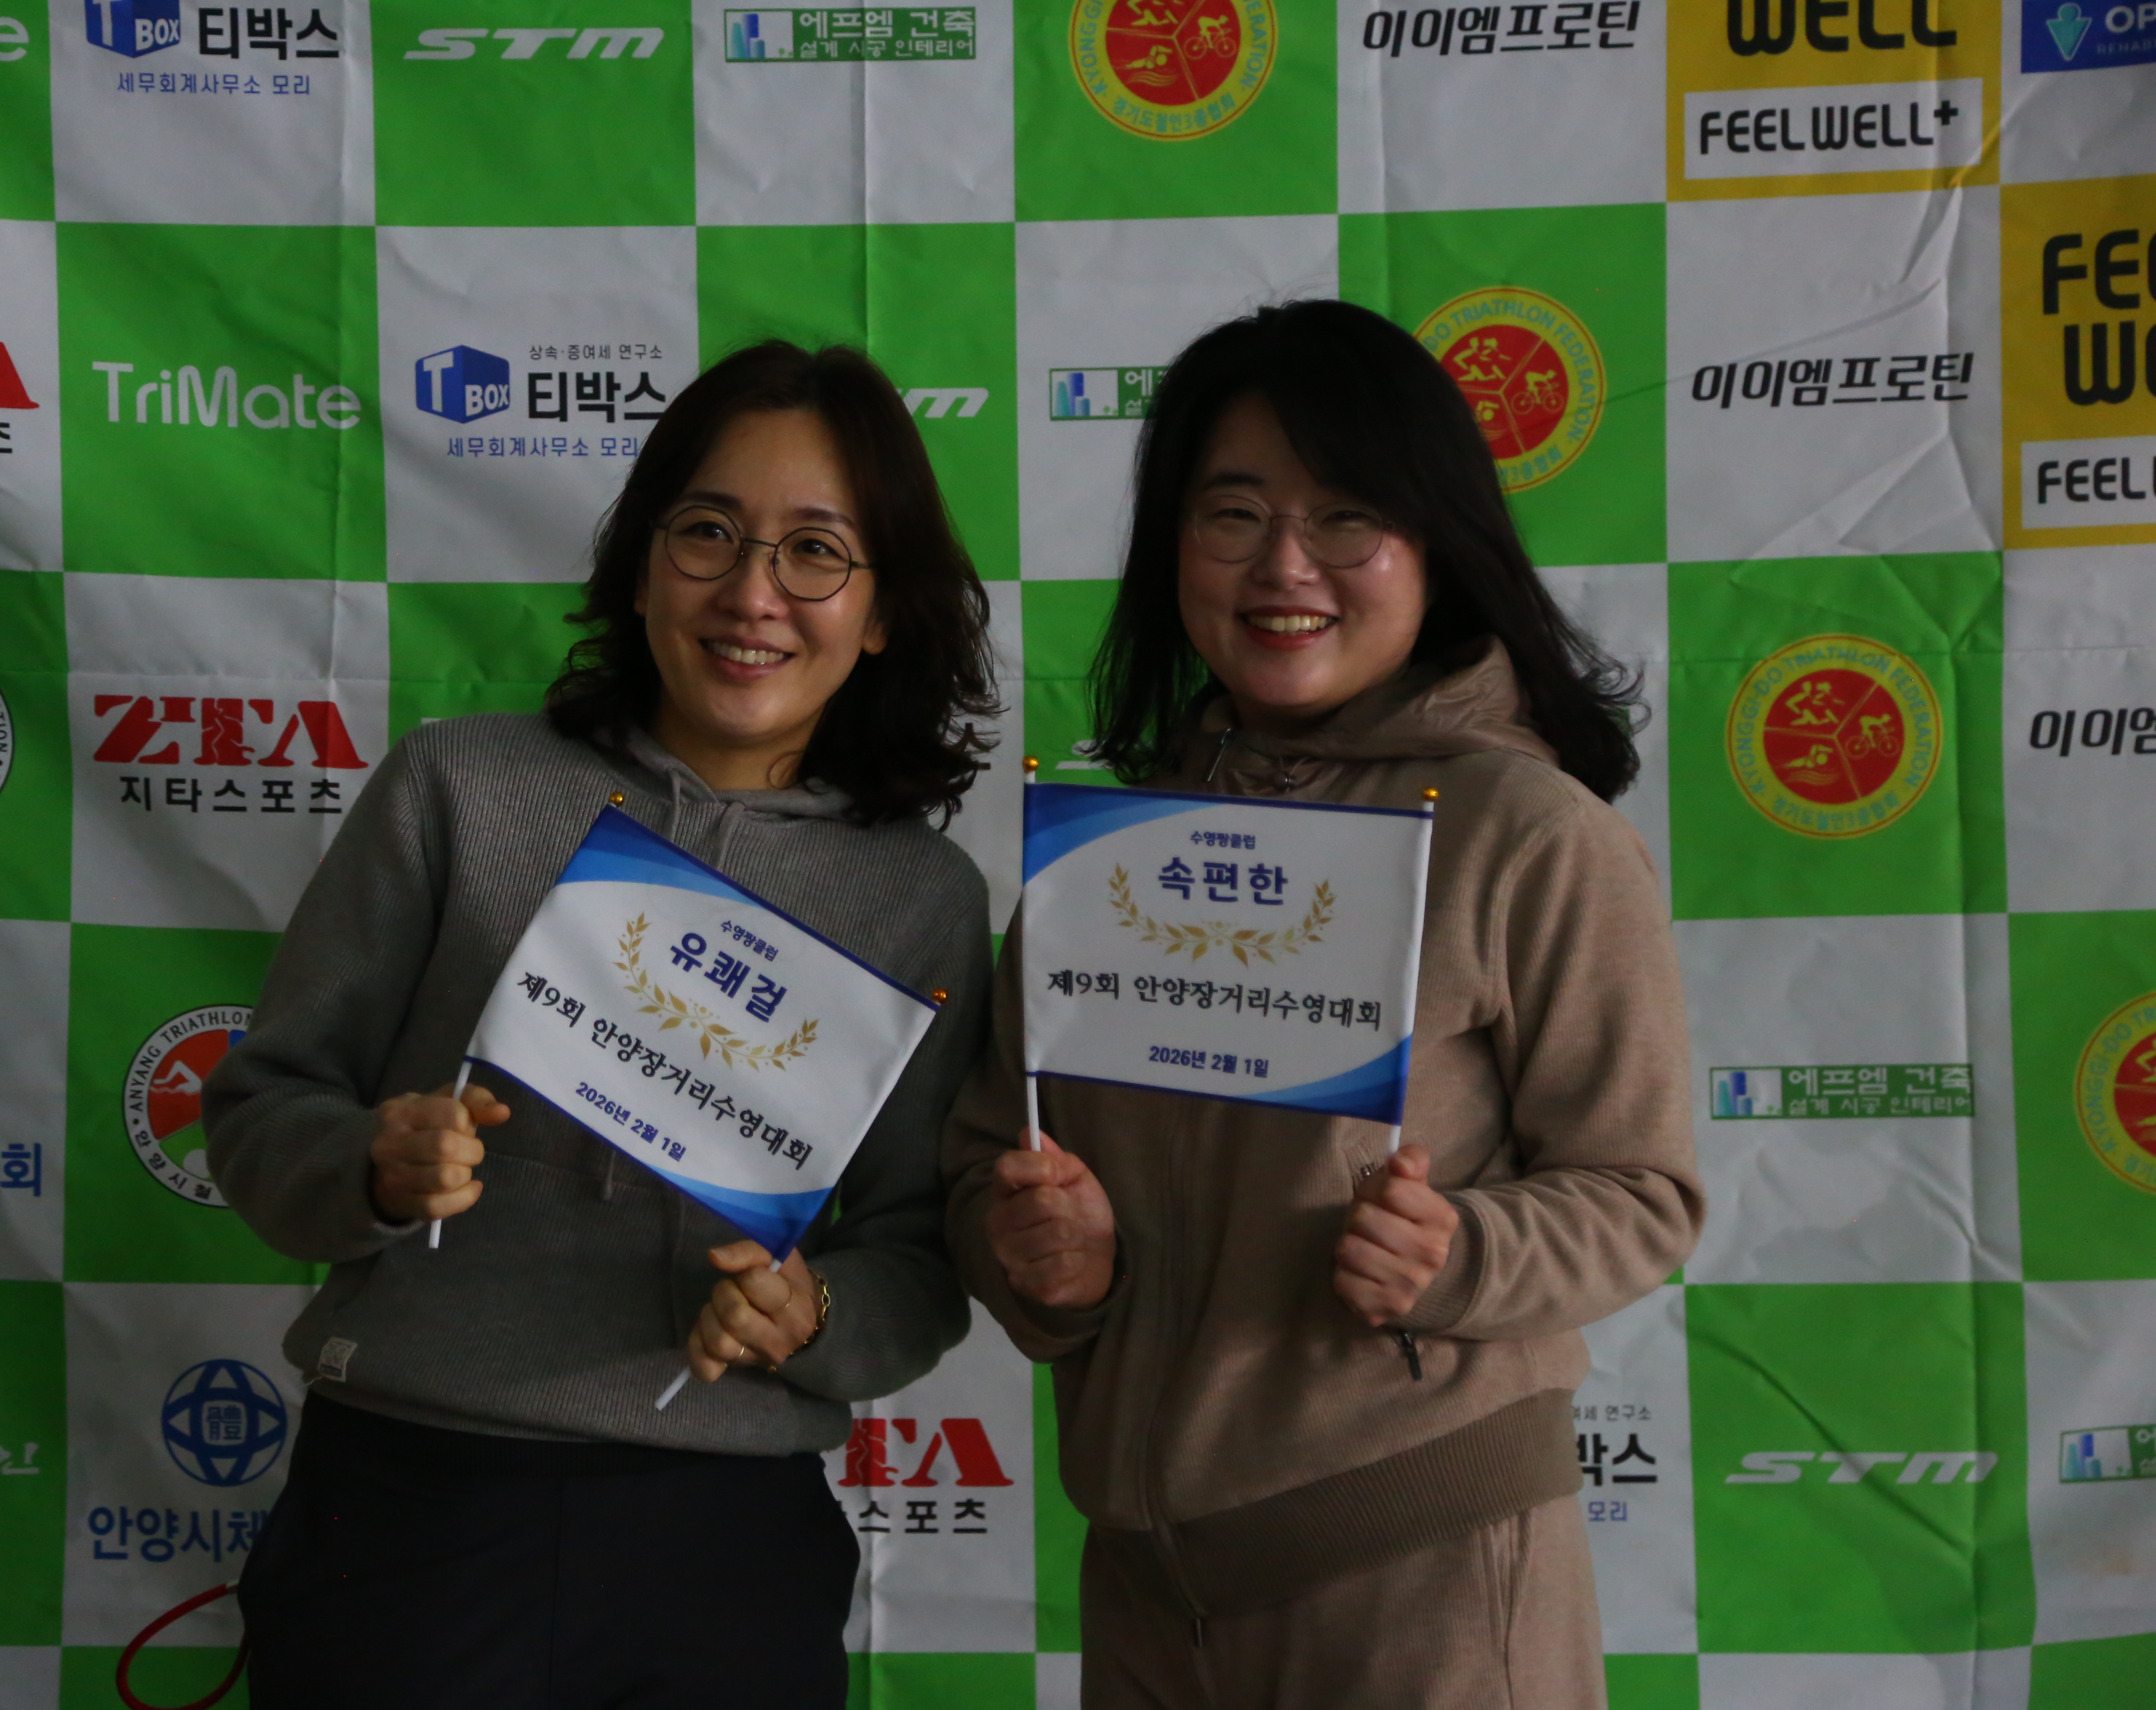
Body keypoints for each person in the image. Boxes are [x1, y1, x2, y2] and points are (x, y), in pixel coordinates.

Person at [206, 340, 1000, 1709]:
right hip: (409, 1505)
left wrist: (814, 1311)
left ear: (882, 613)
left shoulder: (922, 896)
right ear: (641, 568)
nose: (752, 592)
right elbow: (262, 1108)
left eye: (818, 552)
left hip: (724, 1541)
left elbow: (921, 1256)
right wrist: (373, 1164)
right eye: (709, 533)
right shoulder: (458, 787)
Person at [944, 299, 1702, 1709]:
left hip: (1428, 1584)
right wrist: (1049, 1265)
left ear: (1437, 542)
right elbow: (988, 1156)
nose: (1284, 566)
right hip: (1151, 1601)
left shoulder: (1530, 832)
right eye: (1232, 514)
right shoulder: (1113, 856)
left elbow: (1643, 1189)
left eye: (1348, 516)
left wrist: (1462, 1252)